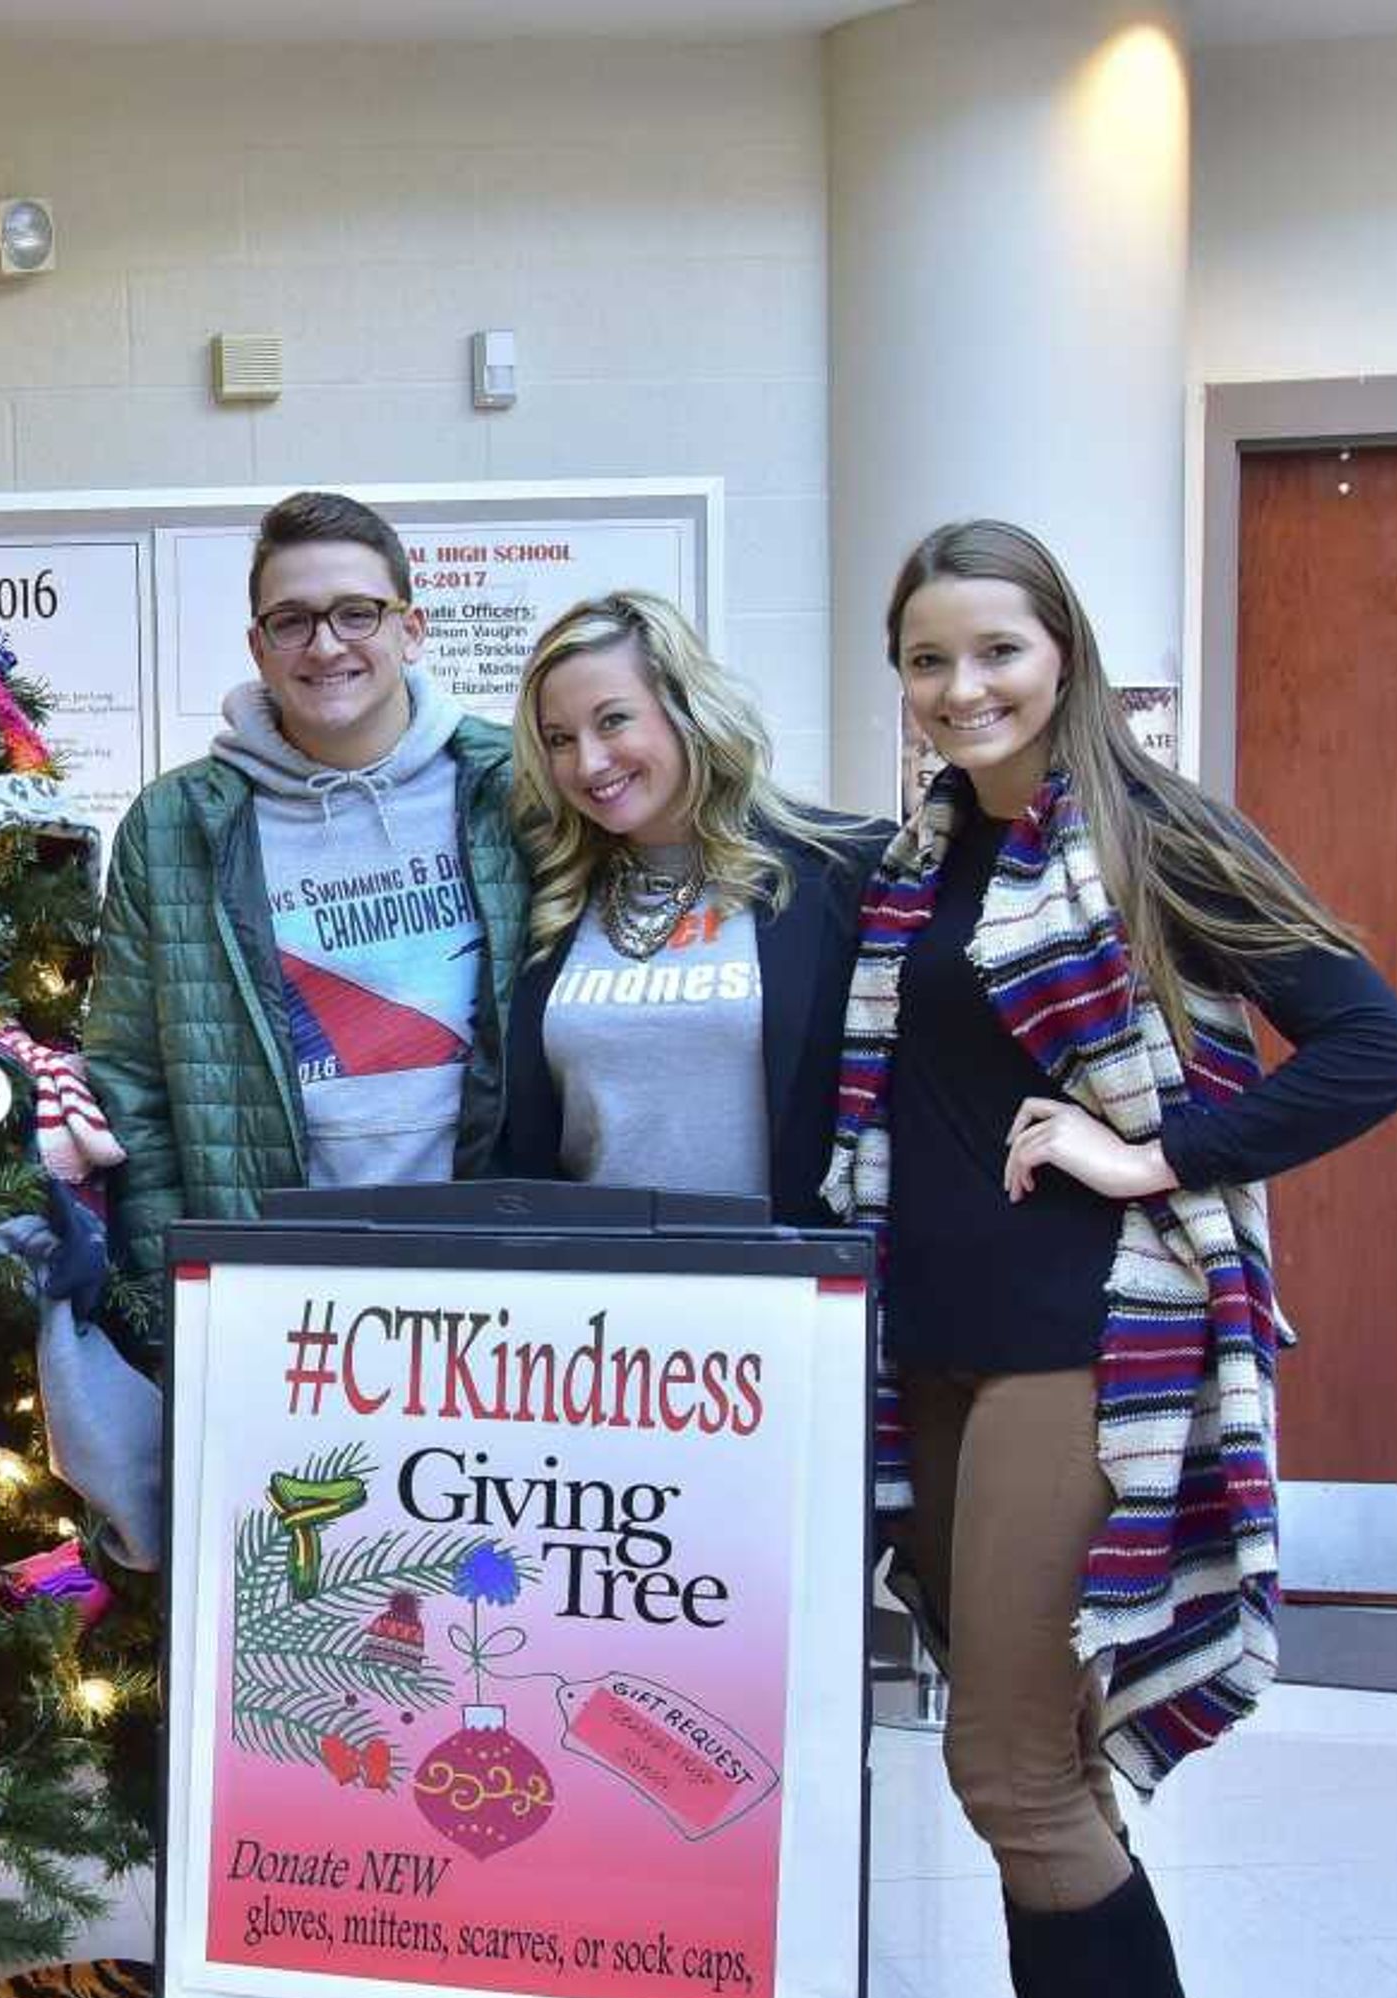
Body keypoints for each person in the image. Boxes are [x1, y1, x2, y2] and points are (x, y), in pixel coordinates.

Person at [832, 518, 1397, 1998]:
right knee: (1030, 1763)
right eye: (930, 659)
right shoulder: (923, 854)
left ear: (1063, 651)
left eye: (996, 651)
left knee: (1012, 1762)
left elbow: (1374, 1044)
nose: (964, 688)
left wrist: (1154, 1146)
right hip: (936, 1350)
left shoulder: (1151, 832)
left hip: (1081, 1343)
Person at [84, 489, 529, 1353]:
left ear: (411, 628)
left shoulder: (514, 787)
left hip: (496, 1265)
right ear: (259, 646)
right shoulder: (176, 824)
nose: (326, 645)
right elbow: (127, 1080)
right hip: (276, 1289)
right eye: (292, 621)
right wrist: (167, 1293)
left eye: (356, 613)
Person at [496, 589, 885, 1218]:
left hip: (784, 1287)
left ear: (686, 711)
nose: (588, 762)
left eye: (614, 719)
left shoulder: (842, 871)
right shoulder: (545, 894)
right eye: (559, 739)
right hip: (593, 1294)